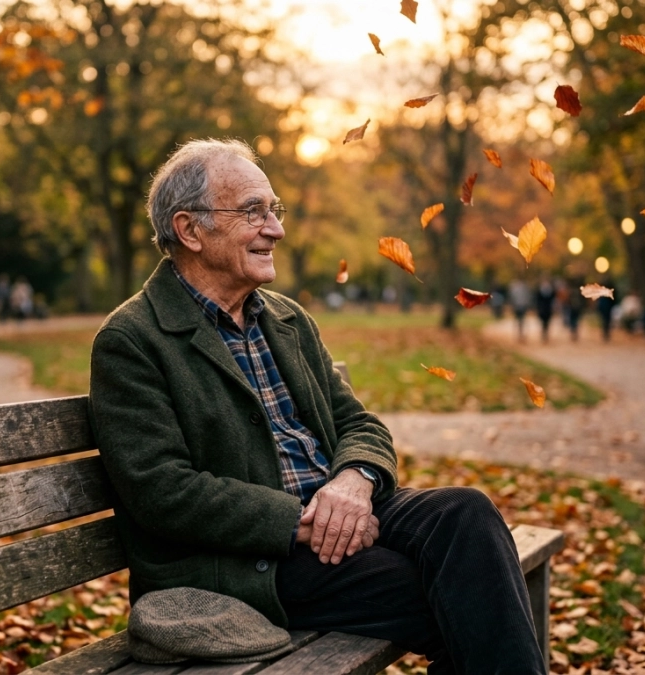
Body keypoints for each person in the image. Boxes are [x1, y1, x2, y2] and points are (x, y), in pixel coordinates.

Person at [88, 139, 545, 674]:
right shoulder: (132, 339)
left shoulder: (285, 319)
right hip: (252, 562)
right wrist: (301, 521)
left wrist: (354, 481)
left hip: (343, 509)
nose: (276, 229)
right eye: (253, 212)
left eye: (273, 210)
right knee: (466, 593)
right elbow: (162, 491)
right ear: (190, 230)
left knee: (465, 513)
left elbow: (358, 423)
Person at [507, 278, 532, 342]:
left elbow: (512, 298)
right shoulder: (522, 289)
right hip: (519, 307)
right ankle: (520, 334)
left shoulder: (515, 289)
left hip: (519, 307)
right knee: (520, 321)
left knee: (520, 321)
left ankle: (520, 334)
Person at [534, 277, 556, 343]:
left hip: (548, 310)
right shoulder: (539, 291)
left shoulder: (551, 291)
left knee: (547, 323)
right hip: (542, 309)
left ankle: (545, 334)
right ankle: (544, 334)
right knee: (543, 323)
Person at [596, 275, 617, 342]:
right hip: (607, 307)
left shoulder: (602, 292)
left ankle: (605, 333)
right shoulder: (608, 292)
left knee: (605, 321)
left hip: (605, 307)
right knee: (607, 321)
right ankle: (606, 333)